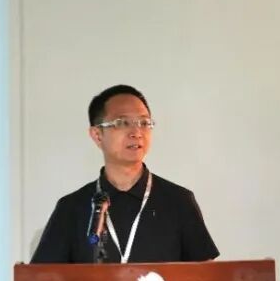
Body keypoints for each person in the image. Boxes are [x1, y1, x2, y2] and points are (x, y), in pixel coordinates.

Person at [30, 85, 219, 264]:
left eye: (144, 123)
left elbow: (208, 279)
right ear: (97, 135)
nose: (137, 132)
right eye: (122, 123)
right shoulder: (71, 208)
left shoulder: (179, 202)